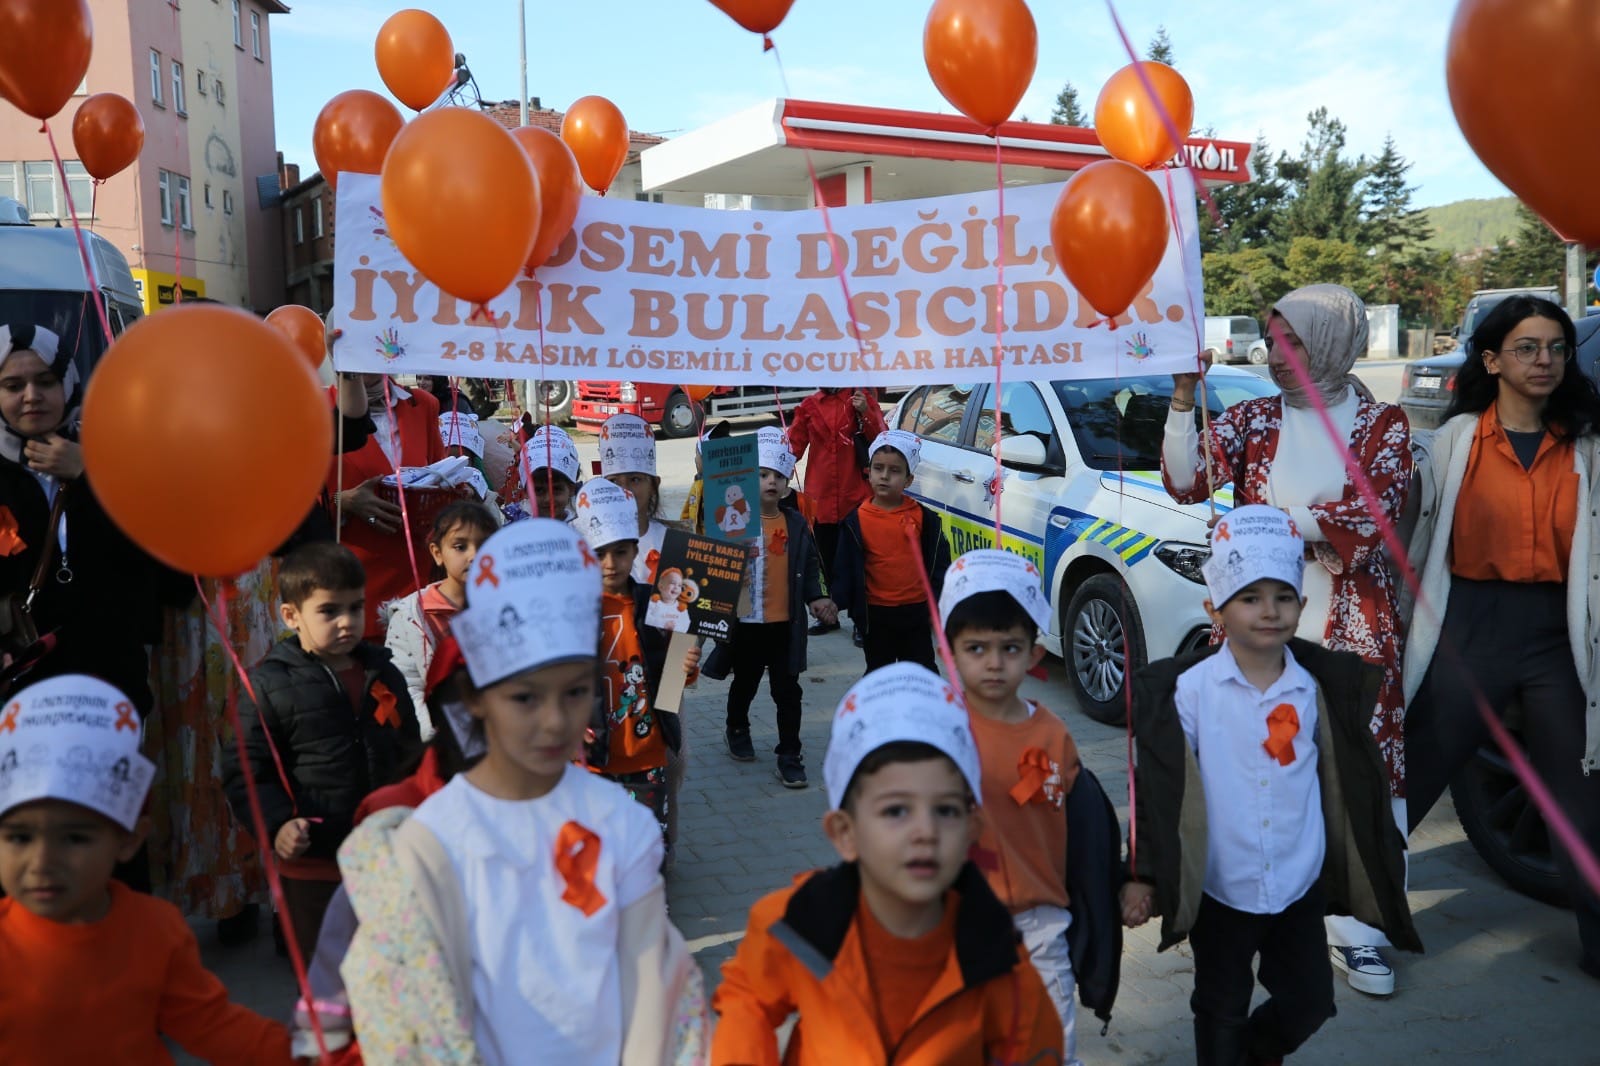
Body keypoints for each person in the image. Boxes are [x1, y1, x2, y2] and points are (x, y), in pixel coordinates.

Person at [334, 519, 707, 1064]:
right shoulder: (424, 843)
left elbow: (657, 985)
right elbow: (401, 1015)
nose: (555, 722)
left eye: (575, 692)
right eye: (525, 698)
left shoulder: (620, 823)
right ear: (477, 699)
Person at [1162, 284, 1414, 995]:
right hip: (1258, 632)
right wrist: (1185, 398)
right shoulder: (1249, 418)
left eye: (1295, 342)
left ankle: (1361, 927)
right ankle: (1247, 906)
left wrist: (1269, 521)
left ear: (1333, 343)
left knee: (1362, 769)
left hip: (1353, 628)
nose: (1277, 355)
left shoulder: (1381, 425)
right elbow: (1185, 482)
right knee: (1257, 764)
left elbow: (1373, 517)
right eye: (1273, 341)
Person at [1121, 506, 1418, 1065]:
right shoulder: (1190, 692)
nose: (1269, 611)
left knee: (1310, 1003)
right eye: (1250, 598)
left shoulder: (1318, 690)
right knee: (1219, 1005)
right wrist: (1139, 873)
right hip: (1221, 888)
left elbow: (1348, 780)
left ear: (1302, 607)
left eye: (1283, 597)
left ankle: (1252, 1056)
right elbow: (1154, 788)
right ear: (1216, 609)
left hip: (1296, 886)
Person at [710, 662, 1064, 1064]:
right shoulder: (799, 924)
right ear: (845, 833)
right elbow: (747, 997)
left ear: (972, 828)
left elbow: (1037, 1051)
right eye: (896, 810)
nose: (924, 832)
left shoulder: (999, 959)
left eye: (946, 811)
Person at [1400, 295, 1600, 980]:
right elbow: (1417, 537)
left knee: (1579, 793)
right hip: (1469, 626)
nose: (1544, 360)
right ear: (1491, 359)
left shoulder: (1587, 443)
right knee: (1415, 771)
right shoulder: (1455, 442)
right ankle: (1351, 913)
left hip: (1556, 632)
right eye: (1527, 347)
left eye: (1556, 347)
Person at [0, 673, 291, 1064]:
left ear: (129, 840)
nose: (41, 862)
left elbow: (213, 1026)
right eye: (18, 838)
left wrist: (306, 1053)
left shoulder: (155, 929)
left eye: (75, 839)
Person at [221, 542, 422, 966]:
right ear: (292, 616)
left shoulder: (382, 672)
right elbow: (246, 769)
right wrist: (277, 826)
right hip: (313, 864)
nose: (347, 622)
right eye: (329, 611)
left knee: (393, 973)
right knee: (325, 978)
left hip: (384, 855)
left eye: (355, 607)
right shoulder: (270, 685)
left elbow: (409, 753)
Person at [938, 548, 1092, 1064]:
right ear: (949, 652)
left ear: (1034, 654)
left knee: (1049, 1047)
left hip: (1040, 927)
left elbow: (1080, 829)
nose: (994, 662)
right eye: (976, 647)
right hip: (953, 927)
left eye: (1010, 647)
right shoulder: (935, 732)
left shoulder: (1054, 733)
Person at [706, 428, 837, 789]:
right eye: (762, 475)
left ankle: (789, 753)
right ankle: (736, 726)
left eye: (778, 476)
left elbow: (810, 566)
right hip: (746, 624)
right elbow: (712, 564)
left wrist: (818, 598)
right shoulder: (732, 520)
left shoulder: (795, 523)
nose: (770, 482)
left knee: (788, 691)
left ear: (786, 483)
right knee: (744, 683)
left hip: (784, 626)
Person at [576, 481, 699, 863]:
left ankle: (651, 906)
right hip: (594, 754)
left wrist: (688, 666)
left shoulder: (657, 602)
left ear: (635, 552)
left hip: (646, 753)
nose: (610, 563)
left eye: (620, 552)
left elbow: (674, 669)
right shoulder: (571, 610)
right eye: (599, 554)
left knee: (649, 847)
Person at [326, 372, 446, 639]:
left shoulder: (423, 404)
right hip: (351, 580)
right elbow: (291, 500)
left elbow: (441, 475)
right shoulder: (317, 406)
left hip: (416, 575)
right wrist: (342, 501)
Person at [831, 430, 951, 671]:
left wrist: (939, 604)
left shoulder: (925, 519)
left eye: (894, 471)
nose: (885, 476)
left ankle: (925, 710)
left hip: (916, 614)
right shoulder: (855, 521)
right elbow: (844, 568)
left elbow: (940, 564)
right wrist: (834, 602)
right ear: (868, 472)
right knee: (879, 674)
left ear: (908, 480)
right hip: (876, 615)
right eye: (878, 468)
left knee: (922, 673)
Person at [384, 499, 499, 738]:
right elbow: (407, 685)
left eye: (484, 545)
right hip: (438, 738)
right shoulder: (412, 614)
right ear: (437, 553)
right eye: (460, 546)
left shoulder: (505, 607)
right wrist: (438, 731)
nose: (474, 556)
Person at [785, 387, 887, 641]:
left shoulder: (860, 399)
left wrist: (866, 412)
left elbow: (882, 441)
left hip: (856, 497)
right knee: (824, 562)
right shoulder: (809, 406)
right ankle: (827, 616)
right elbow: (793, 447)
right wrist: (769, 467)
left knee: (858, 563)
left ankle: (860, 621)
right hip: (820, 500)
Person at [598, 413, 669, 583]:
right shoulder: (591, 547)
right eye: (614, 481)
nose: (624, 490)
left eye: (635, 479)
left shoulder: (671, 542)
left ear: (653, 485)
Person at [503, 422, 582, 524]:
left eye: (556, 489)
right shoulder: (515, 526)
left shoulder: (583, 526)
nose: (548, 499)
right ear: (526, 492)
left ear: (571, 489)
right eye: (539, 490)